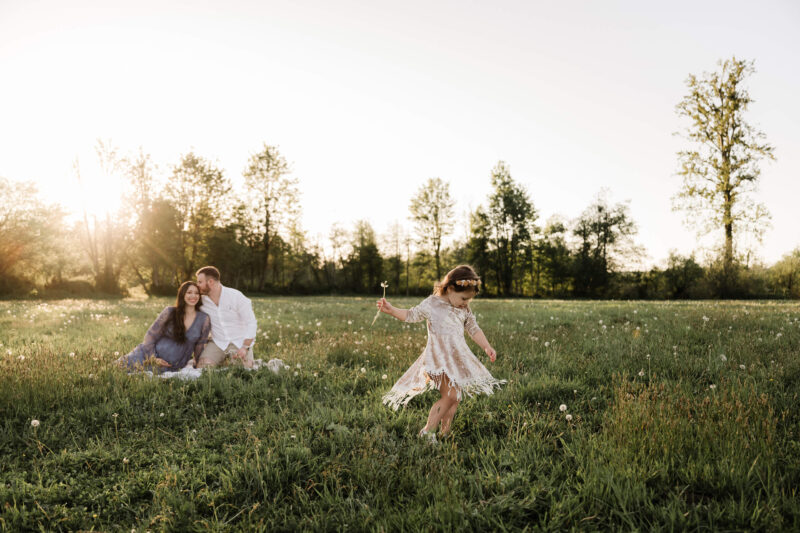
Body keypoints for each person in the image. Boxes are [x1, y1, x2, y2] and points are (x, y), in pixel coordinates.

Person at [377, 265, 505, 442]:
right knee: (450, 395)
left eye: (469, 300)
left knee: (456, 398)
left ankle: (445, 432)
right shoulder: (432, 303)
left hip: (457, 361)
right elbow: (411, 315)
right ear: (451, 288)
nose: (465, 303)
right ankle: (427, 431)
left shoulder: (463, 309)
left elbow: (473, 329)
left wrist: (487, 346)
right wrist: (392, 310)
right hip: (437, 361)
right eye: (463, 298)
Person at [117, 281, 211, 372]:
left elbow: (199, 346)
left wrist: (198, 364)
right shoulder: (169, 312)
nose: (193, 296)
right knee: (118, 368)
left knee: (144, 374)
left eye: (196, 293)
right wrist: (153, 358)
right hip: (147, 355)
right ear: (182, 295)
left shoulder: (204, 319)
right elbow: (150, 336)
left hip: (173, 365)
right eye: (189, 292)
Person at [195, 266, 258, 369]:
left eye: (200, 282)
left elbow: (251, 323)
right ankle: (222, 360)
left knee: (242, 369)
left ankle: (241, 359)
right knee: (203, 367)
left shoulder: (236, 296)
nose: (197, 285)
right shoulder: (201, 301)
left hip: (239, 342)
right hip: (217, 342)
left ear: (210, 282)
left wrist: (245, 347)